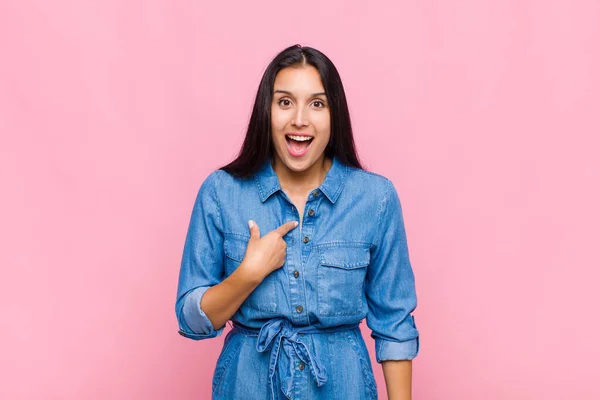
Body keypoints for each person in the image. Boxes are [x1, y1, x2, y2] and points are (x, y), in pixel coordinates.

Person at [175, 44, 420, 400]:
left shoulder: (375, 198)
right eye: (285, 102)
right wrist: (249, 274)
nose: (300, 119)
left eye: (317, 103)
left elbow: (395, 325)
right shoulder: (220, 192)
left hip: (344, 387)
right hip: (246, 387)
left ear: (335, 114)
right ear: (266, 111)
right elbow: (192, 320)